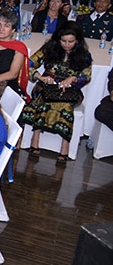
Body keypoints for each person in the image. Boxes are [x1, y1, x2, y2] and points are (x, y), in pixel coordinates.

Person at [22, 21, 92, 163]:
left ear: (77, 41)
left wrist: (73, 78)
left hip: (69, 91)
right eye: (63, 41)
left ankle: (64, 145)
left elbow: (87, 76)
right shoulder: (49, 48)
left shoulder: (84, 55)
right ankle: (35, 138)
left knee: (65, 106)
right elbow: (27, 64)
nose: (66, 45)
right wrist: (40, 76)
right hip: (46, 86)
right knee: (44, 99)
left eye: (70, 42)